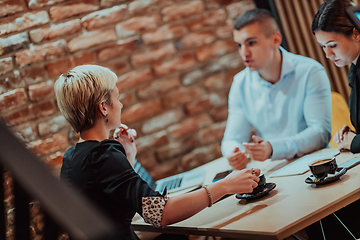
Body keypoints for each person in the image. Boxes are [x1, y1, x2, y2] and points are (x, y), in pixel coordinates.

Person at [54, 65, 261, 240]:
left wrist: (128, 156)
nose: (121, 104)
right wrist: (225, 185)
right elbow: (160, 213)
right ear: (103, 107)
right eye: (117, 97)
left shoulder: (72, 158)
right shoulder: (103, 155)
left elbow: (111, 196)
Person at [221, 9, 332, 170]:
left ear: (275, 39)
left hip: (316, 166)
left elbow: (320, 134)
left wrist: (273, 148)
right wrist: (233, 153)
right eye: (239, 45)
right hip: (273, 171)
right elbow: (231, 139)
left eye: (251, 43)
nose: (244, 53)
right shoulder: (240, 84)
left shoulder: (310, 72)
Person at [305, 0, 360, 239]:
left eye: (332, 45)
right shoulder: (355, 69)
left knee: (321, 219)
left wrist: (354, 142)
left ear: (356, 34)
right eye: (322, 47)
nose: (327, 54)